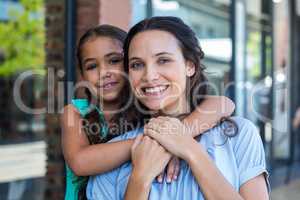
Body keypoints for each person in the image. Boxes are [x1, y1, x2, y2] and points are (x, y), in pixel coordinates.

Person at [86, 17, 270, 200]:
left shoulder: (238, 135)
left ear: (190, 65)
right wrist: (140, 178)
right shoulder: (113, 158)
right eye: (137, 65)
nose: (149, 76)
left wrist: (191, 150)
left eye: (163, 60)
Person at [60, 24, 235, 200]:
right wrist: (160, 140)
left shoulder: (146, 106)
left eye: (114, 60)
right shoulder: (76, 112)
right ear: (82, 74)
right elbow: (80, 162)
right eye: (91, 66)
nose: (104, 72)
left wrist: (179, 138)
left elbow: (224, 103)